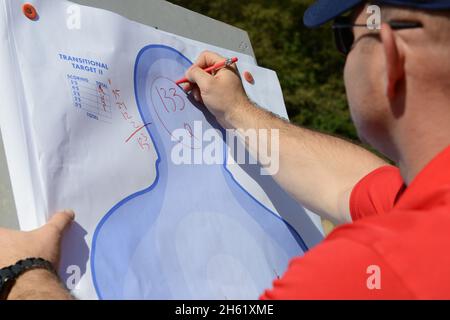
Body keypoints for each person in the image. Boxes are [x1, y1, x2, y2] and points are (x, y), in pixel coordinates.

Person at [1, 0, 450, 299]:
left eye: (344, 37)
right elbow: (353, 184)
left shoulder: (364, 270)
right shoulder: (425, 213)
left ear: (388, 54)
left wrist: (25, 274)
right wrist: (237, 110)